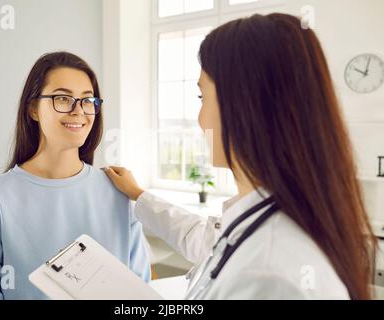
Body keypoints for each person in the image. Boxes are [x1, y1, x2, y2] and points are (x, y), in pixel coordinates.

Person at [104, 13, 377, 299]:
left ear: (242, 105)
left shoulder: (269, 274)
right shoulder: (271, 215)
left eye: (202, 97)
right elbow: (204, 239)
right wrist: (138, 194)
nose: (199, 118)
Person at [0, 52, 151, 299]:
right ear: (33, 109)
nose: (78, 110)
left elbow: (138, 294)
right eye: (63, 98)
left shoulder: (118, 194)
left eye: (87, 100)